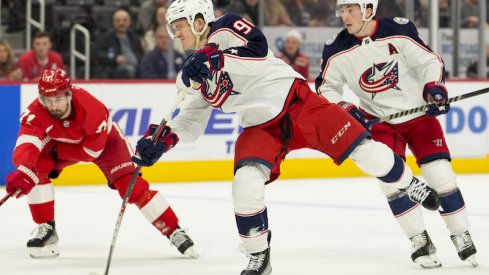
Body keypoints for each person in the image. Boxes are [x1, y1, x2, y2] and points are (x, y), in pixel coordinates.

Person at [132, 0, 441, 274]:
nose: (176, 35)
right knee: (245, 181)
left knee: (366, 152)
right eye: (171, 29)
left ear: (200, 20)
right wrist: (162, 140)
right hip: (261, 127)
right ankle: (258, 256)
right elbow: (190, 121)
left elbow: (256, 47)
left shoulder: (226, 28)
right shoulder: (189, 76)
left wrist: (216, 58)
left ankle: (408, 183)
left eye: (179, 27)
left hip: (298, 104)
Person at [315, 0, 477, 269]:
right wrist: (345, 107)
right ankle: (419, 239)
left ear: (369, 9)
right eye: (342, 9)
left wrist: (434, 88)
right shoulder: (336, 48)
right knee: (390, 182)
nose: (345, 15)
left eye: (351, 9)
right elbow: (326, 88)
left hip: (419, 115)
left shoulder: (397, 31)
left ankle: (461, 234)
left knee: (440, 174)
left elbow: (429, 60)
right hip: (381, 122)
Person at [4, 68, 197, 259]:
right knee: (35, 170)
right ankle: (46, 228)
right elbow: (25, 144)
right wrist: (26, 168)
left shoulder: (91, 109)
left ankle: (174, 231)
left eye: (58, 99)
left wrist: (56, 153)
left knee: (133, 188)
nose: (53, 106)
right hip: (61, 144)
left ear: (69, 94)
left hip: (106, 145)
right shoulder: (35, 111)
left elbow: (91, 152)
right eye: (48, 100)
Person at [93, 9, 144, 79]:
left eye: (125, 20)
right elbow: (99, 54)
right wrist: (115, 58)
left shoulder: (135, 38)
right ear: (113, 23)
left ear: (129, 22)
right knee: (128, 70)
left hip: (135, 66)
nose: (121, 23)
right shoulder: (104, 38)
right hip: (114, 68)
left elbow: (141, 55)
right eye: (118, 21)